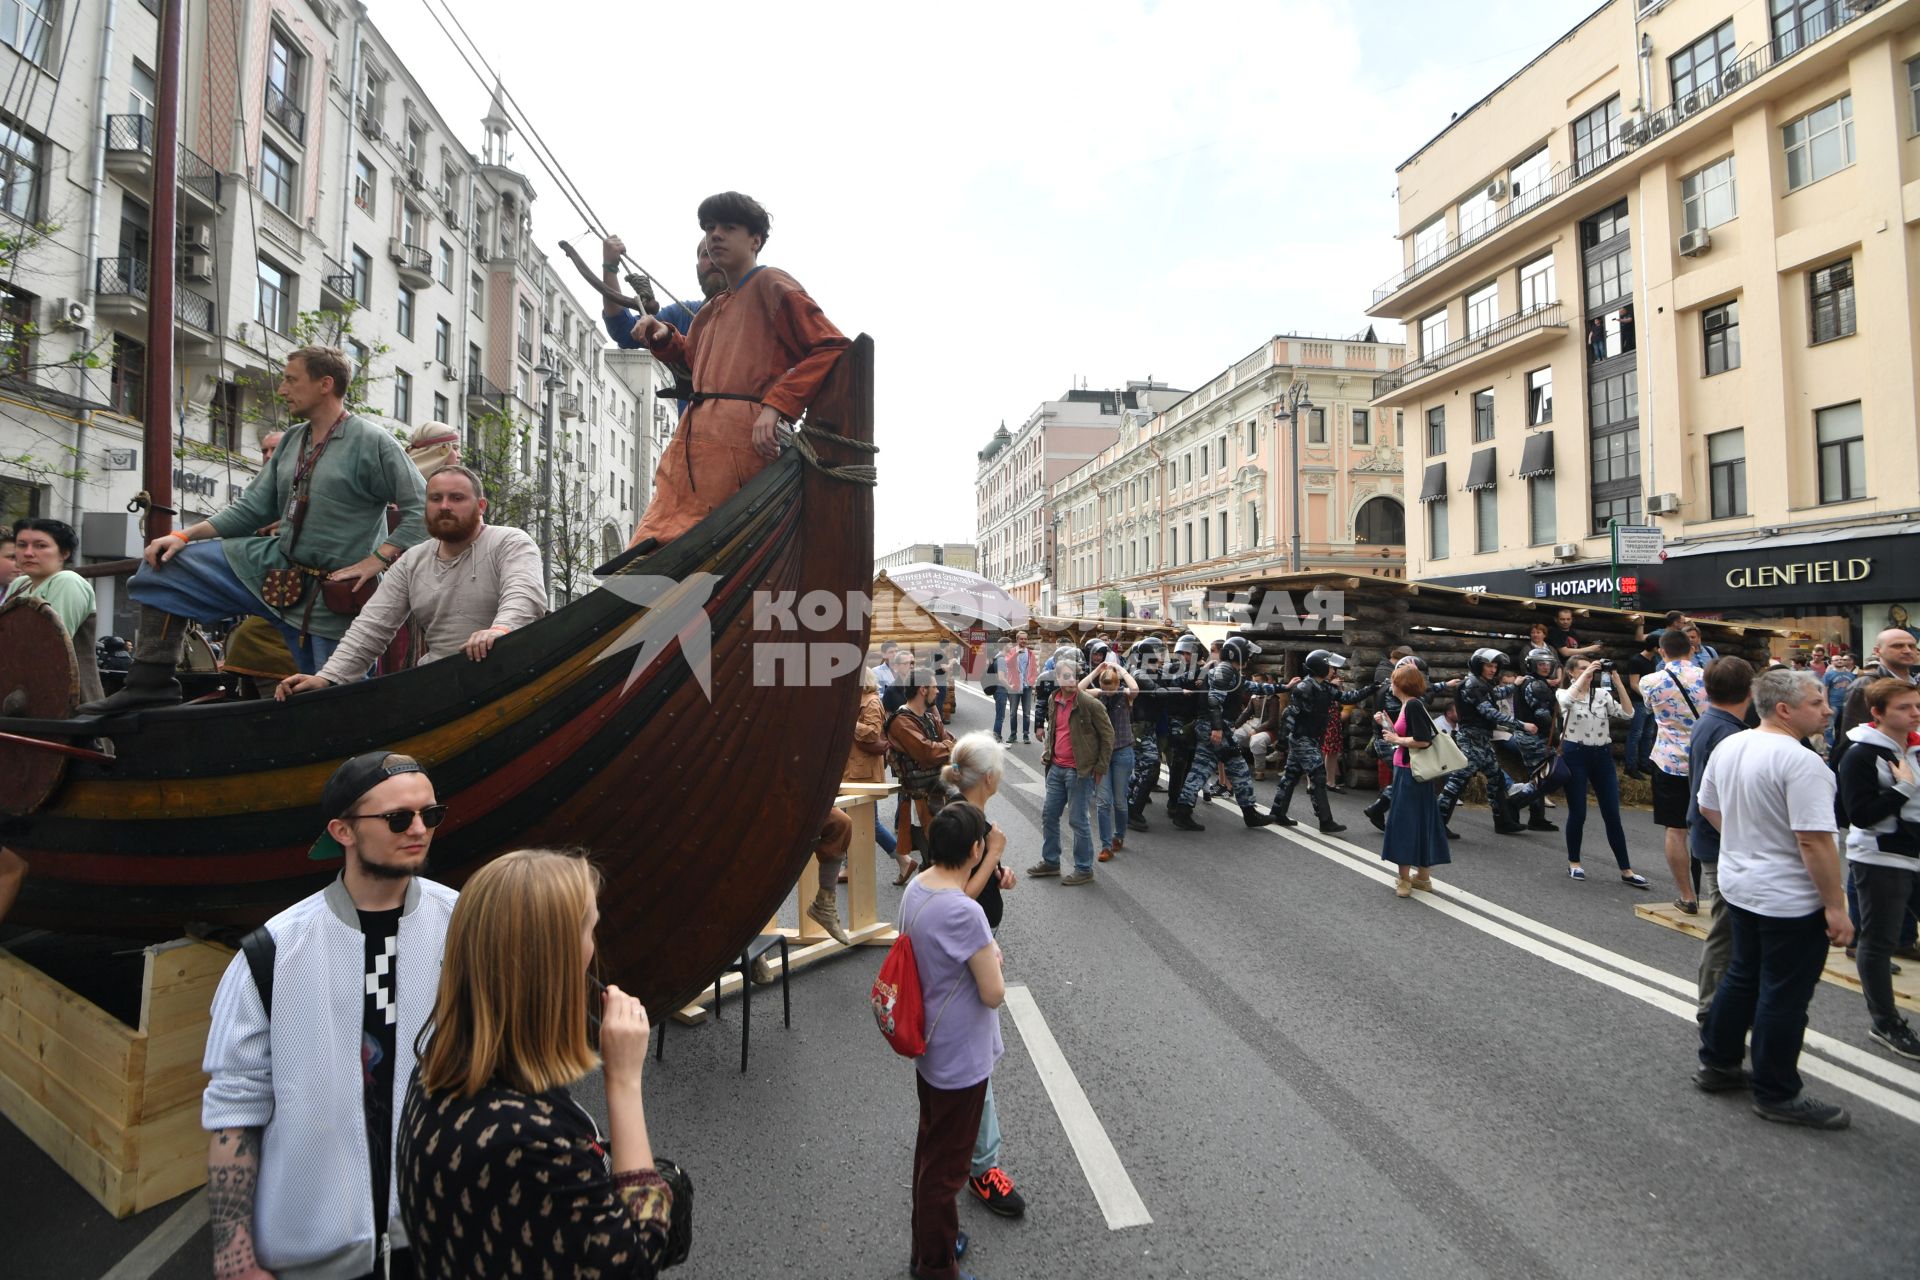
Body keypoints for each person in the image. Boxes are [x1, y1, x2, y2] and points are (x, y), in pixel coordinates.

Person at [202, 751, 457, 1279]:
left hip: (441, 1241)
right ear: (342, 831)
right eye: (397, 818)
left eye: (430, 815)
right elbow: (234, 1113)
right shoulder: (271, 954)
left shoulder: (466, 925)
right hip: (316, 1260)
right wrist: (235, 1259)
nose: (419, 829)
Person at [83, 346, 428, 711]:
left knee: (334, 701)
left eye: (291, 379)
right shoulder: (294, 439)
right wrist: (183, 535)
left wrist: (378, 560)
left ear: (325, 384)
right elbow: (252, 509)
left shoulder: (372, 441)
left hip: (332, 595)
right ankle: (149, 683)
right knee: (166, 565)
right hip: (274, 568)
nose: (282, 389)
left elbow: (422, 509)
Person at [398, 849, 679, 1278]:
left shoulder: (437, 1065)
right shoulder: (528, 1139)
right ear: (557, 958)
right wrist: (623, 1080)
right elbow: (635, 1259)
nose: (593, 946)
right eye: (589, 928)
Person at [624, 192, 850, 550]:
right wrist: (664, 337)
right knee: (652, 554)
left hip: (738, 443)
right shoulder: (714, 307)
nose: (715, 235)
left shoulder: (771, 284)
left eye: (729, 227)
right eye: (710, 227)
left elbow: (830, 345)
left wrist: (776, 405)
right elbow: (698, 361)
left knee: (706, 554)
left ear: (755, 240)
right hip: (692, 448)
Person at [1695, 669, 1852, 1129]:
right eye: (1817, 702)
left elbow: (1708, 805)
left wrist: (1748, 843)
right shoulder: (1803, 763)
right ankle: (1777, 1091)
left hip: (1742, 884)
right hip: (1788, 896)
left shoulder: (1732, 744)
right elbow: (1814, 842)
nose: (1827, 710)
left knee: (1743, 974)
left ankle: (1718, 1064)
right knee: (1784, 993)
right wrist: (1836, 907)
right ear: (1784, 709)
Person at [273, 466, 545, 697]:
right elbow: (372, 625)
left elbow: (524, 596)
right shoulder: (412, 560)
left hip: (508, 680)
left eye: (457, 498)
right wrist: (328, 677)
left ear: (481, 506)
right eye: (435, 498)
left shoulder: (509, 542)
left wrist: (499, 630)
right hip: (440, 685)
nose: (445, 506)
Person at [902, 802, 1006, 1280]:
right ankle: (936, 1264)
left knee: (931, 1152)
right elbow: (993, 993)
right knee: (947, 1171)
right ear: (974, 849)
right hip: (961, 1057)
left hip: (930, 1047)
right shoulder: (965, 912)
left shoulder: (916, 888)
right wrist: (996, 957)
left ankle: (928, 1242)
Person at [938, 735, 1025, 1220]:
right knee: (976, 1060)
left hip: (976, 943)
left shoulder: (967, 816)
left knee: (974, 1061)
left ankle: (969, 1155)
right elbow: (957, 899)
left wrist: (999, 870)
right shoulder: (964, 822)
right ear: (989, 778)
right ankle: (980, 1166)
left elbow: (969, 882)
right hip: (968, 952)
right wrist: (992, 856)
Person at [1834, 678, 1920, 1060]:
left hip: (1915, 855)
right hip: (1881, 859)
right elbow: (1860, 815)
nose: (1915, 713)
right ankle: (1885, 1022)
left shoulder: (1916, 747)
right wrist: (1901, 789)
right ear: (1878, 713)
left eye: (1916, 705)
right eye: (1904, 707)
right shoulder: (1860, 754)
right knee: (1878, 943)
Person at [1687, 656, 1756, 1022]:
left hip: (1709, 836)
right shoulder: (1730, 733)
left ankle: (1719, 1003)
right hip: (1720, 840)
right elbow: (1715, 799)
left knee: (1728, 927)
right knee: (1726, 930)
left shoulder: (1708, 722)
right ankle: (1711, 1007)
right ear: (1749, 691)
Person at [1556, 656, 1646, 886]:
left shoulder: (1602, 695)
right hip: (1575, 753)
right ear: (1571, 673)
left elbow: (1628, 713)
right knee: (1579, 812)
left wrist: (1617, 681)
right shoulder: (1565, 693)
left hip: (1602, 755)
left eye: (1591, 668)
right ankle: (1574, 862)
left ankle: (1626, 869)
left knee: (1612, 814)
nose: (1589, 672)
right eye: (1583, 669)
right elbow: (1565, 701)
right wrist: (1585, 677)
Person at [1170, 637, 1274, 831]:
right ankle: (1250, 814)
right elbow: (1214, 701)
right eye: (1247, 652)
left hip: (1210, 727)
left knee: (1200, 770)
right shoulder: (1225, 670)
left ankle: (1182, 812)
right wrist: (1217, 728)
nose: (1250, 656)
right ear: (1239, 652)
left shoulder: (1230, 671)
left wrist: (1284, 686)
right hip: (1216, 728)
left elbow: (1254, 687)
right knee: (1239, 769)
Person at [1638, 629, 1707, 912]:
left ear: (1662, 651)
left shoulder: (1651, 681)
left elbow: (1648, 708)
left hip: (1670, 761)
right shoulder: (1708, 676)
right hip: (1706, 760)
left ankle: (1687, 896)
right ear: (1691, 649)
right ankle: (1722, 893)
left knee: (1676, 829)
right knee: (1716, 826)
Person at [1030, 653, 1112, 886]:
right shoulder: (1053, 699)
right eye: (1065, 676)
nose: (1070, 681)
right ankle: (1051, 862)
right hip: (1056, 768)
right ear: (1057, 677)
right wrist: (1048, 752)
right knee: (1049, 815)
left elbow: (1108, 736)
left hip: (1080, 771)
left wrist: (1100, 767)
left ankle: (1084, 868)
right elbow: (1055, 730)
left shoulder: (1089, 703)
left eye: (1074, 677)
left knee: (1078, 820)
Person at [1269, 649, 1373, 833]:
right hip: (1302, 738)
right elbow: (1290, 715)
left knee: (1291, 776)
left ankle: (1278, 812)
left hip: (1311, 738)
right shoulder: (1305, 688)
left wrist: (1372, 688)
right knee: (1318, 775)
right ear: (1320, 667)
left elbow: (1348, 697)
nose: (1333, 670)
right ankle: (1325, 821)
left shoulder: (1325, 687)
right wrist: (1282, 742)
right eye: (1330, 666)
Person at [1438, 649, 1538, 838]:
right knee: (1457, 782)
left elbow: (1494, 693)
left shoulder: (1481, 683)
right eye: (1489, 666)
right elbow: (1489, 712)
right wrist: (1522, 725)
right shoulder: (1472, 685)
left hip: (1482, 740)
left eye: (1495, 666)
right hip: (1471, 740)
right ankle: (1437, 823)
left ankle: (1503, 822)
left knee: (1496, 779)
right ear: (1478, 665)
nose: (1493, 670)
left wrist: (1515, 685)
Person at [3, 517, 104, 705]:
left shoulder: (68, 581)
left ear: (64, 553)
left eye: (40, 546)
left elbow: (48, 645)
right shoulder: (19, 584)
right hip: (20, 696)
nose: (28, 553)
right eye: (21, 545)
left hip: (66, 703)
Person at [1376, 662, 1449, 897]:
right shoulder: (1410, 704)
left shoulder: (1413, 705)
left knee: (1403, 822)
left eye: (1394, 681)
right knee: (1422, 820)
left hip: (1409, 771)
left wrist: (1395, 740)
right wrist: (1387, 726)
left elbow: (1422, 740)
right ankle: (1423, 877)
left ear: (1401, 684)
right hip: (1413, 771)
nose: (1391, 685)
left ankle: (1405, 880)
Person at [888, 668, 955, 884]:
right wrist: (942, 748)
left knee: (941, 855)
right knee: (934, 857)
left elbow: (949, 743)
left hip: (938, 794)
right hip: (919, 801)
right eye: (934, 686)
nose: (938, 690)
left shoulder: (929, 717)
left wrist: (942, 748)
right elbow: (927, 753)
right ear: (922, 689)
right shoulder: (901, 721)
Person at [602, 233, 726, 345]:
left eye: (720, 252)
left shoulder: (745, 314)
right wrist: (610, 268)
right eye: (706, 254)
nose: (713, 261)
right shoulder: (681, 315)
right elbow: (624, 330)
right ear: (697, 268)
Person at [1081, 658, 1139, 860]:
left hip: (1123, 752)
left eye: (1111, 687)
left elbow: (1135, 688)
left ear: (1117, 684)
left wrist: (1121, 670)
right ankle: (1105, 846)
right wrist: (1097, 670)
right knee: (1103, 802)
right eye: (1104, 688)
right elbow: (1077, 690)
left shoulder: (1125, 696)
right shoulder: (1097, 696)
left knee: (1120, 802)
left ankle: (1119, 836)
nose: (1108, 691)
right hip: (1103, 755)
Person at [1509, 648, 1563, 832]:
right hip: (1535, 737)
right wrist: (1556, 740)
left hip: (1529, 735)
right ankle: (1512, 805)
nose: (1545, 667)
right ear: (1532, 665)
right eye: (1541, 664)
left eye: (1548, 663)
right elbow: (1542, 716)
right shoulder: (1536, 685)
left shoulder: (1530, 682)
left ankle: (1537, 817)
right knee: (1544, 778)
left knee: (1539, 776)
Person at [849, 660, 898, 864]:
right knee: (854, 819)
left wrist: (849, 722)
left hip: (863, 770)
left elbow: (871, 734)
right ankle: (849, 864)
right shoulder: (860, 700)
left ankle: (901, 857)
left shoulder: (871, 701)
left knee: (868, 821)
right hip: (856, 769)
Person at [1840, 627, 1919, 738]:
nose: (1907, 650)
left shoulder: (1915, 684)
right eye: (1897, 646)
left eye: (1911, 646)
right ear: (1877, 651)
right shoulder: (1865, 685)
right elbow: (1852, 736)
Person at [1619, 634, 1660, 779]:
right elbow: (1634, 684)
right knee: (1636, 734)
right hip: (1639, 702)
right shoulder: (1636, 660)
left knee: (1648, 734)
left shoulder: (1654, 660)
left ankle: (1644, 763)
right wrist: (1647, 696)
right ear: (1655, 647)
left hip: (1651, 703)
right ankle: (1630, 766)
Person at [998, 631, 1034, 744]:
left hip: (1027, 686)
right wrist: (1016, 654)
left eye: (1025, 639)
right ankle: (1013, 734)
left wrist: (1032, 681)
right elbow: (1007, 663)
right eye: (1021, 639)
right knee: (1013, 712)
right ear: (1017, 640)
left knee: (1027, 712)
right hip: (1014, 686)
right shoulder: (1011, 651)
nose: (1024, 641)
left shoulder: (1030, 653)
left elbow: (1033, 668)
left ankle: (1026, 735)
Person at [1822, 652, 1858, 747]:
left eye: (1841, 659)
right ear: (1831, 662)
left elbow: (1854, 689)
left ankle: (1842, 746)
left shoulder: (1851, 675)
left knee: (1844, 727)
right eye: (1836, 660)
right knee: (1829, 727)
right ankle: (1830, 747)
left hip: (1847, 704)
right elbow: (1824, 689)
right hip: (1833, 704)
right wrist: (1825, 704)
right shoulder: (1828, 675)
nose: (1839, 661)